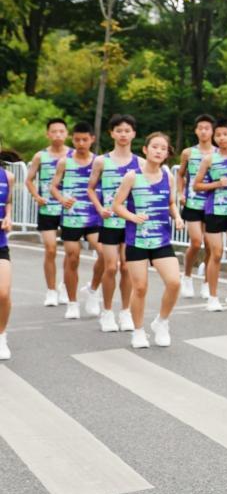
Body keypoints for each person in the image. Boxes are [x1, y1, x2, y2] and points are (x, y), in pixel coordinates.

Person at [113, 132, 185, 349]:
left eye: (163, 148)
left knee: (174, 282)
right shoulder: (132, 176)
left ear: (166, 153)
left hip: (161, 240)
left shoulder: (168, 176)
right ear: (145, 150)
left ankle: (161, 322)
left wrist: (178, 217)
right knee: (140, 288)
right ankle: (138, 331)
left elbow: (171, 203)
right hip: (137, 240)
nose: (159, 151)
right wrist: (132, 217)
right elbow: (117, 205)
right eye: (155, 147)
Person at [86, 114, 141, 333]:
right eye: (119, 130)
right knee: (111, 267)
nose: (123, 134)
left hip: (129, 223)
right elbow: (90, 188)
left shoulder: (140, 163)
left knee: (127, 267)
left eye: (127, 131)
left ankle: (125, 311)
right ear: (111, 133)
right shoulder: (101, 161)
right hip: (109, 223)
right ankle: (107, 312)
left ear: (134, 134)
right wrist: (100, 208)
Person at [193, 119, 227, 312]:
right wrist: (216, 184)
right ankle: (213, 296)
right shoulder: (209, 159)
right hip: (214, 211)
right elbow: (196, 185)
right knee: (215, 254)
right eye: (218, 135)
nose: (222, 138)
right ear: (214, 138)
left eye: (225, 134)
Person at [48, 123, 101, 319]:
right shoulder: (64, 162)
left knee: (105, 255)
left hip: (94, 217)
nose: (80, 143)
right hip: (71, 219)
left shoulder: (99, 162)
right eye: (77, 140)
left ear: (92, 139)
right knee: (72, 258)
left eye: (84, 140)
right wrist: (62, 199)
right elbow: (53, 187)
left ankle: (93, 290)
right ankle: (72, 303)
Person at [26, 117, 69, 307]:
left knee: (71, 252)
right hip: (47, 208)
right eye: (54, 131)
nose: (58, 134)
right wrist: (37, 196)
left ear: (66, 134)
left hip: (69, 210)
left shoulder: (74, 155)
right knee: (50, 248)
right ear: (48, 134)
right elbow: (29, 180)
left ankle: (67, 286)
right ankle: (51, 290)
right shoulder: (40, 156)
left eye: (61, 131)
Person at [176, 114, 216, 299]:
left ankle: (207, 282)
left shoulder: (218, 152)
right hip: (192, 202)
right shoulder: (188, 153)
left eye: (207, 128)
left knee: (210, 245)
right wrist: (180, 193)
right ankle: (187, 276)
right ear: (195, 131)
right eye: (200, 127)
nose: (203, 131)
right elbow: (180, 174)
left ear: (212, 131)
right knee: (196, 241)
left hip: (212, 204)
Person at [0, 163, 14, 360]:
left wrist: (9, 217)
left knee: (3, 293)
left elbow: (8, 202)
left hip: (0, 242)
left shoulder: (8, 176)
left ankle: (1, 335)